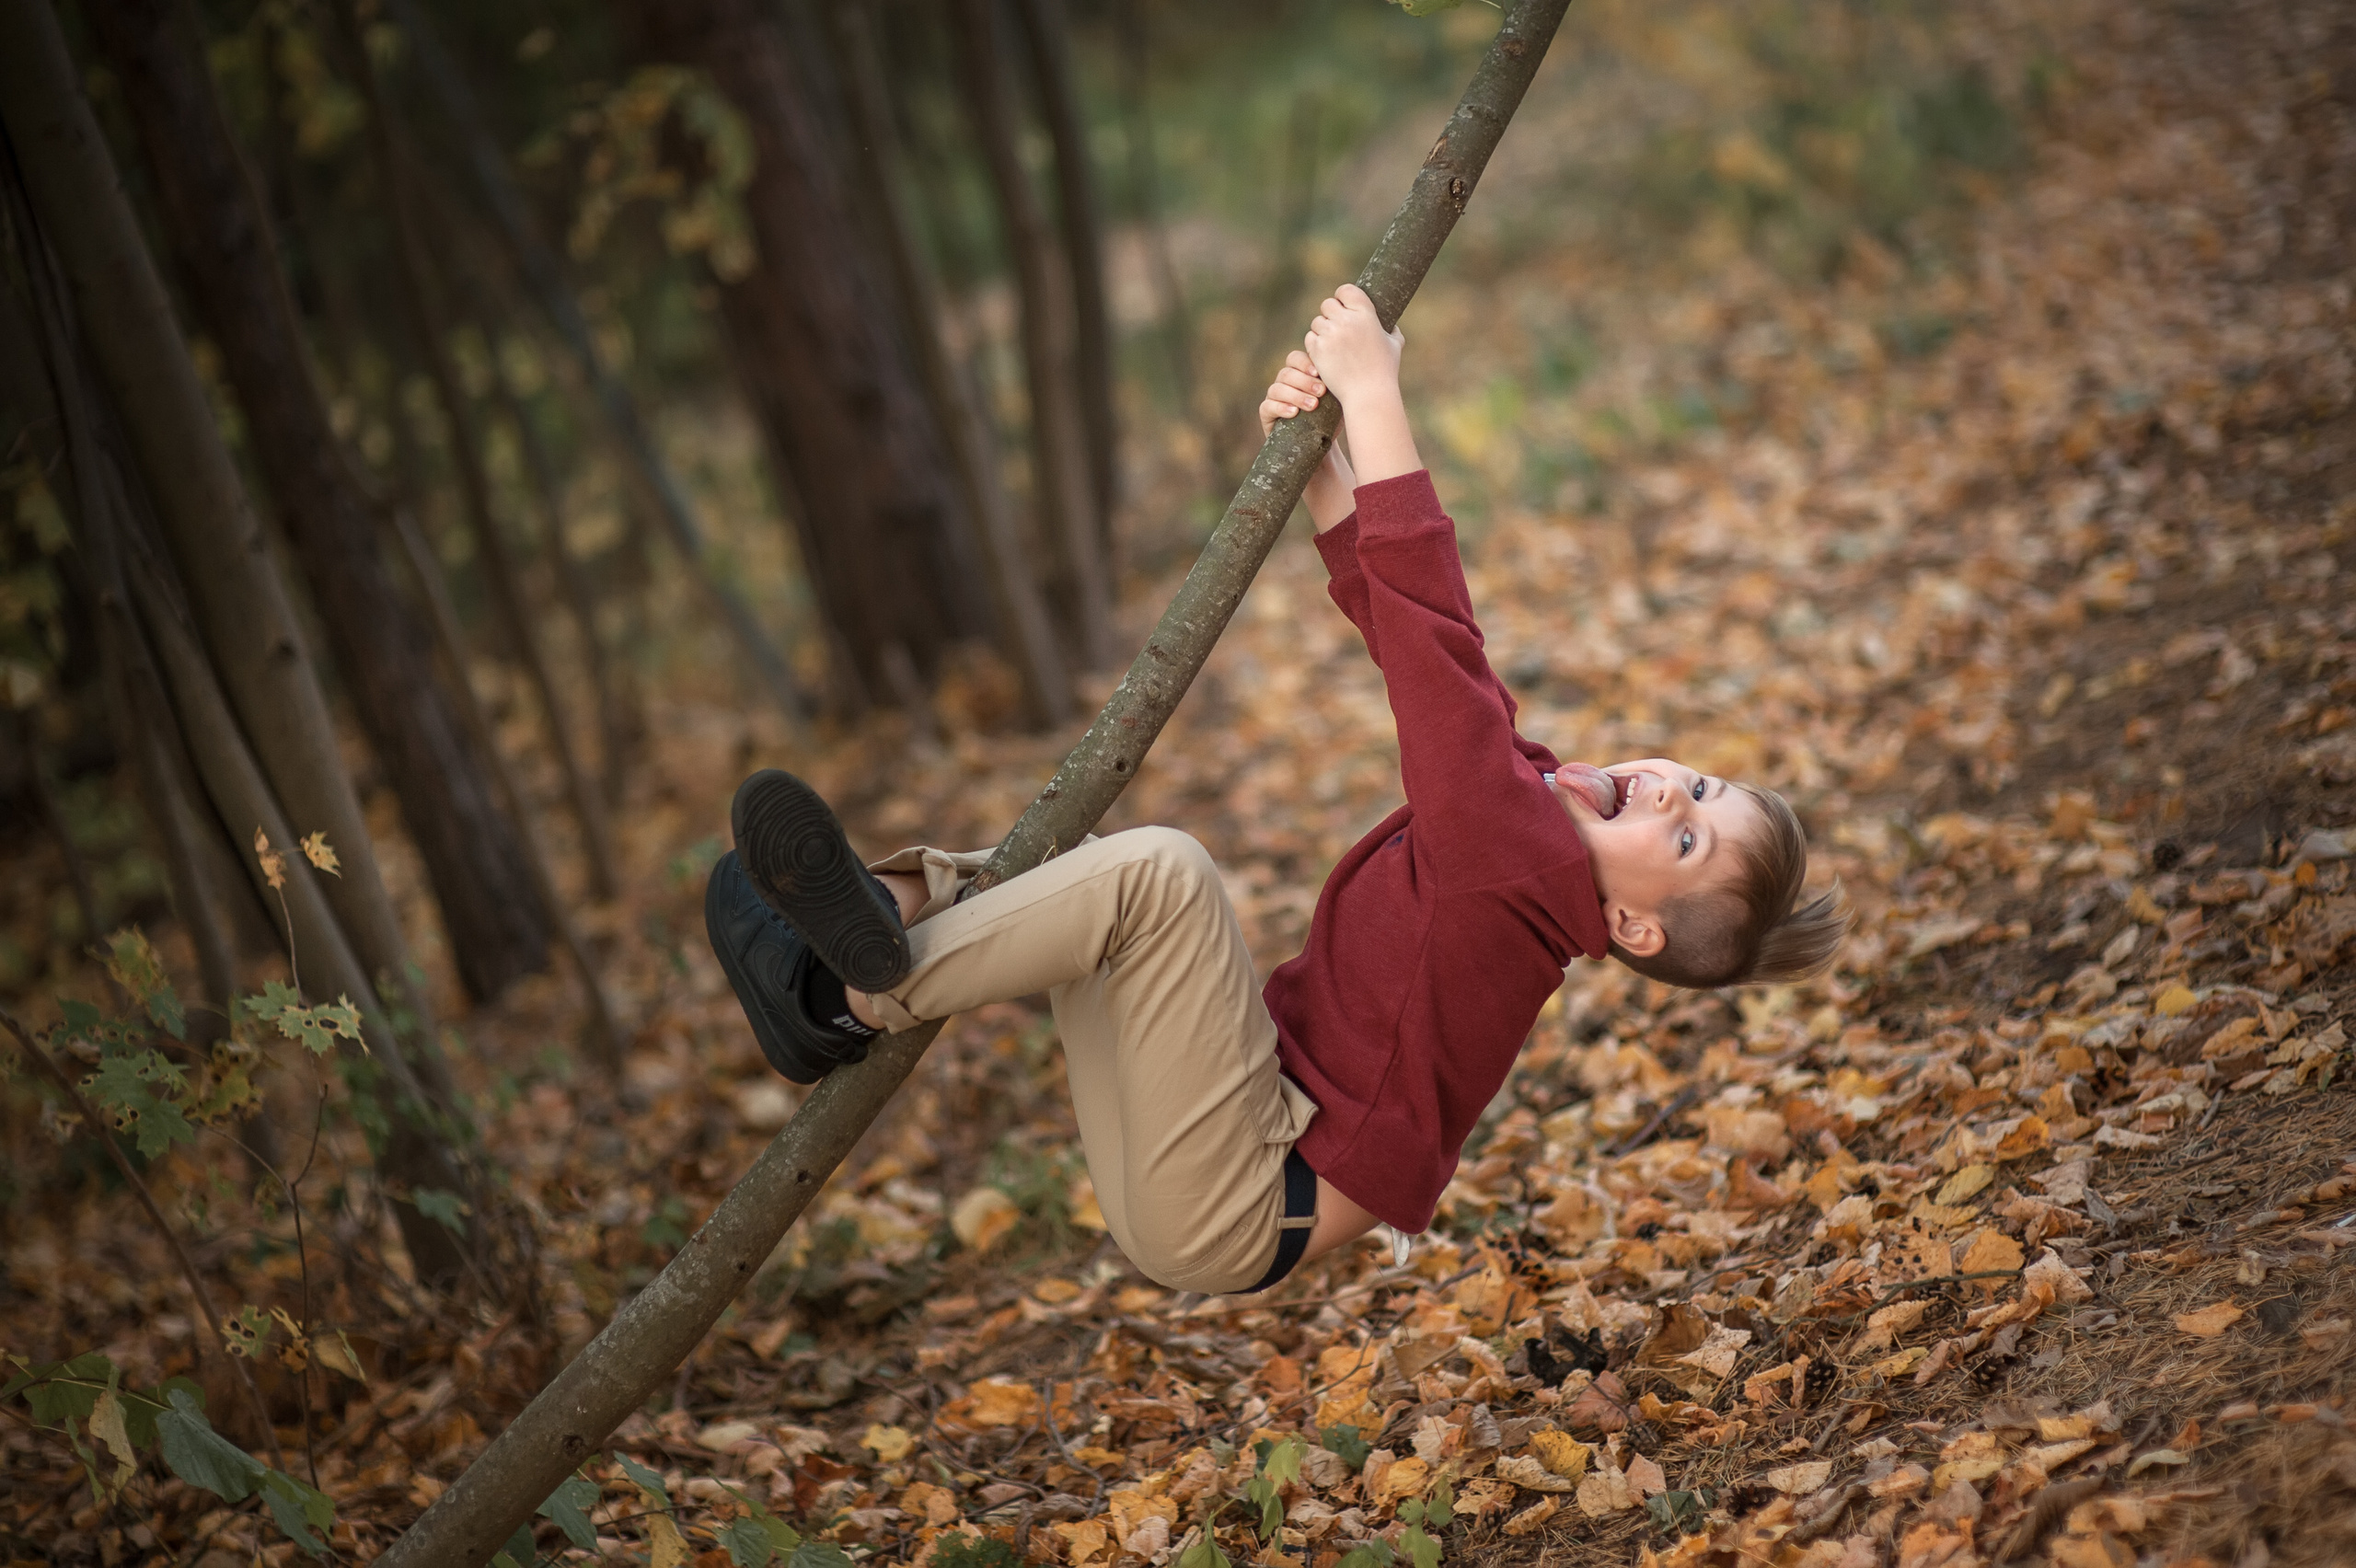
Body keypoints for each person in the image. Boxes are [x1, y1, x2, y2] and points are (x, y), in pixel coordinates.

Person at [705, 283, 1848, 1297]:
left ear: (1633, 924)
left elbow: (1434, 654)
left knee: (1159, 876)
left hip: (1244, 1196)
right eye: (1696, 784)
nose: (1665, 797)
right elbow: (1411, 636)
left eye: (1687, 839)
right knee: (1089, 870)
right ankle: (867, 933)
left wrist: (1372, 392)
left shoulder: (1521, 871)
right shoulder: (1530, 818)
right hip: (1227, 1137)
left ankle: (844, 1002)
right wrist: (1325, 474)